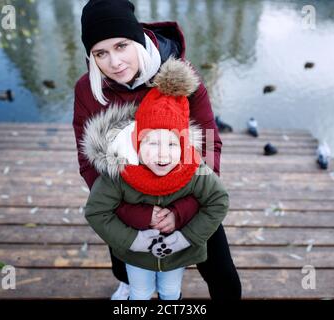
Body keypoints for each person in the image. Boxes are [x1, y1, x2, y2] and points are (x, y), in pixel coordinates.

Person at [73, 0, 242, 300]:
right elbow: (89, 164)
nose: (114, 62)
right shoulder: (88, 91)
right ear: (92, 56)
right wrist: (137, 214)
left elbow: (209, 145)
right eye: (101, 53)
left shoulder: (180, 77)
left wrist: (182, 211)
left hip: (186, 189)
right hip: (126, 197)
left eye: (121, 46)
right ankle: (129, 283)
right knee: (125, 263)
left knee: (223, 276)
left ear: (137, 39)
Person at [83, 58, 229, 300]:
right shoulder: (121, 172)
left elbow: (218, 200)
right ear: (137, 144)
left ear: (183, 146)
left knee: (170, 292)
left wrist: (185, 238)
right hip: (137, 254)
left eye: (172, 143)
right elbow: (96, 211)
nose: (162, 153)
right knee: (140, 292)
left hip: (176, 254)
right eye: (151, 142)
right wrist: (133, 240)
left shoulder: (195, 170)